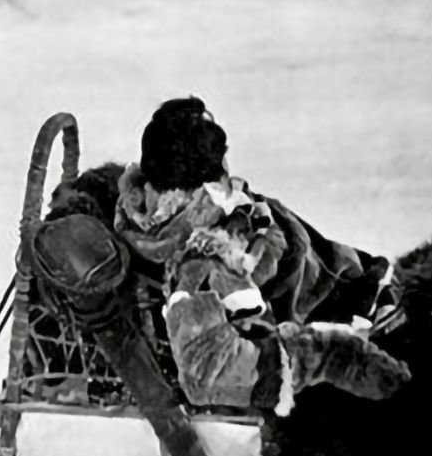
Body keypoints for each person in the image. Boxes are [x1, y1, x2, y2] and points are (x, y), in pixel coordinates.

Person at [114, 96, 410, 415]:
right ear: (203, 183)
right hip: (331, 321)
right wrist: (333, 355)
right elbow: (211, 372)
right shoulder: (207, 260)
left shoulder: (151, 213)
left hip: (356, 288)